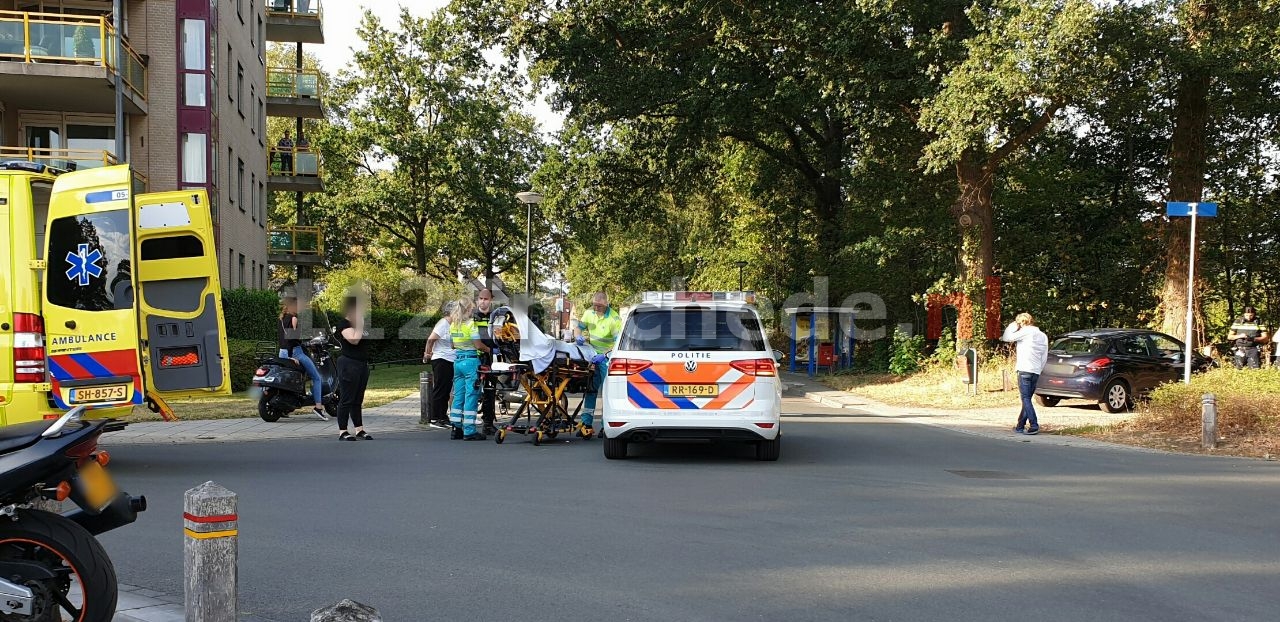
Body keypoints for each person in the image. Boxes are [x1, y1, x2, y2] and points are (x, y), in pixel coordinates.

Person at [574, 291, 622, 438]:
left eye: (599, 306)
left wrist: (605, 355)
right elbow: (578, 327)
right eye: (594, 305)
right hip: (593, 356)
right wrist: (578, 336)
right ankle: (586, 423)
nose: (596, 308)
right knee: (591, 389)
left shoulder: (614, 319)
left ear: (606, 304)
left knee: (607, 393)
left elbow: (618, 343)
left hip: (607, 358)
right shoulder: (589, 313)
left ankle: (604, 426)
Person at [449, 297, 492, 440]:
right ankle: (469, 430)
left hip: (458, 362)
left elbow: (452, 345)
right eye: (471, 308)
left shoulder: (454, 325)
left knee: (458, 395)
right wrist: (489, 350)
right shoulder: (470, 324)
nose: (473, 310)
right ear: (467, 309)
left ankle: (456, 428)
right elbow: (478, 345)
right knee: (471, 395)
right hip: (471, 362)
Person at [278, 296, 328, 421]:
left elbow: (283, 339)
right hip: (295, 353)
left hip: (282, 352)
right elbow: (291, 339)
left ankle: (284, 408)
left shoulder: (281, 319)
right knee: (316, 377)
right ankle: (318, 407)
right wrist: (292, 356)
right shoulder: (294, 318)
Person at [1001, 312, 1049, 435]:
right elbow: (1044, 355)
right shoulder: (1042, 335)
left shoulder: (1025, 332)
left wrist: (1012, 325)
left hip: (1024, 369)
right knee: (1027, 399)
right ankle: (1020, 425)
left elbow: (1006, 337)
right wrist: (1040, 368)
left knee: (1025, 398)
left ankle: (1034, 425)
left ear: (1021, 323)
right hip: (1036, 370)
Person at [334, 296, 372, 441]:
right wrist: (361, 324)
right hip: (348, 364)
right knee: (347, 398)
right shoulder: (344, 324)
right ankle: (343, 431)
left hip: (362, 365)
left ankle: (359, 429)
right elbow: (354, 340)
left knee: (358, 398)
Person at [422, 301, 456, 430]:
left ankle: (443, 416)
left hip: (450, 359)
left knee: (446, 389)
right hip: (441, 359)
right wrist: (427, 353)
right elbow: (431, 339)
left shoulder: (453, 324)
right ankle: (435, 417)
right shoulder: (443, 323)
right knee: (441, 389)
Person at [473, 289, 500, 435]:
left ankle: (488, 423)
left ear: (491, 300)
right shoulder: (472, 316)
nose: (483, 301)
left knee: (490, 390)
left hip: (490, 358)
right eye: (481, 298)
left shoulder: (495, 317)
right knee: (472, 390)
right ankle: (467, 424)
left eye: (486, 299)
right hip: (475, 357)